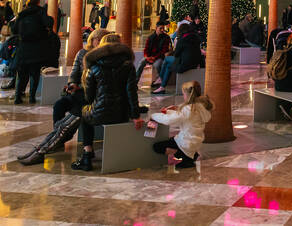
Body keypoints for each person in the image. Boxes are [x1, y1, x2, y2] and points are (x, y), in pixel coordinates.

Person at [16, 29, 111, 166]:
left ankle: (41, 151)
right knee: (61, 111)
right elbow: (75, 74)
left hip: (90, 100)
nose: (98, 42)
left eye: (101, 39)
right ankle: (44, 148)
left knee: (65, 125)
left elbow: (97, 87)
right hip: (83, 96)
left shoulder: (103, 61)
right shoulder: (84, 54)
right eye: (96, 39)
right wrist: (73, 84)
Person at [70, 33, 142, 171]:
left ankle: (87, 154)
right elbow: (131, 92)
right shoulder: (128, 66)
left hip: (99, 112)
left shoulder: (94, 67)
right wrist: (135, 115)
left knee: (85, 114)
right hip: (121, 113)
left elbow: (89, 96)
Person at [151, 81, 213, 169]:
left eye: (183, 94)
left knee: (157, 147)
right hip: (195, 142)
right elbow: (183, 116)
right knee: (173, 142)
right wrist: (169, 111)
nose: (183, 96)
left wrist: (153, 116)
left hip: (185, 143)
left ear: (188, 95)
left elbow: (169, 120)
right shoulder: (200, 107)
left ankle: (180, 155)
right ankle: (191, 155)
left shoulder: (188, 109)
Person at [11, 0, 57, 104]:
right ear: (38, 2)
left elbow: (14, 30)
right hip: (37, 48)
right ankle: (32, 97)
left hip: (23, 48)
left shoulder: (22, 14)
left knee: (21, 74)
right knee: (34, 73)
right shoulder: (40, 12)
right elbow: (49, 23)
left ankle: (18, 97)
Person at [153, 23, 202, 94]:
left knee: (167, 59)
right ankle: (162, 86)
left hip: (184, 64)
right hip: (194, 63)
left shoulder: (182, 39)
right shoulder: (195, 38)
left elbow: (176, 54)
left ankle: (160, 79)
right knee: (168, 66)